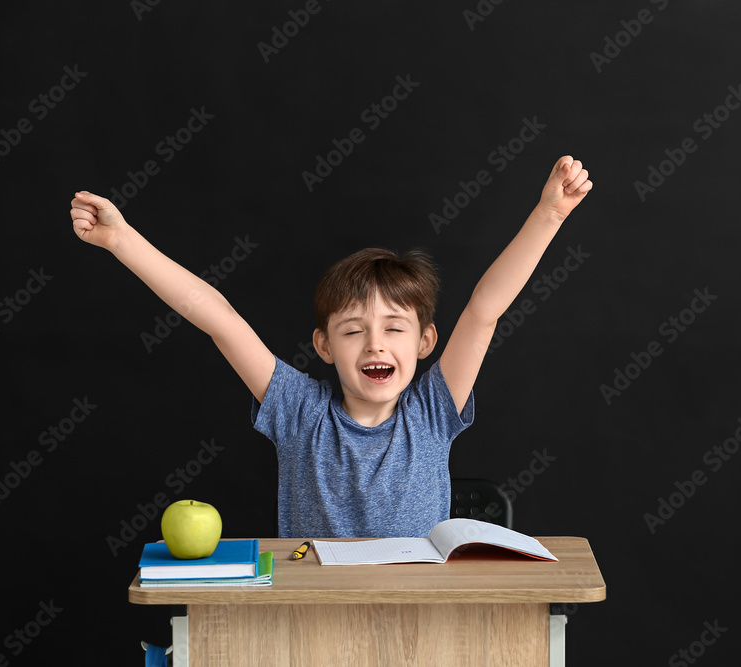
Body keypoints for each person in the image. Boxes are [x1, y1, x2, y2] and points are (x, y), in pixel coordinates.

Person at [69, 155, 593, 538]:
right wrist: (122, 241)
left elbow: (484, 310)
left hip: (417, 621)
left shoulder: (433, 410)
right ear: (323, 345)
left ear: (426, 341)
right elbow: (218, 318)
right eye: (352, 330)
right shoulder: (299, 411)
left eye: (394, 328)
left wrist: (550, 213)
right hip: (311, 621)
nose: (374, 344)